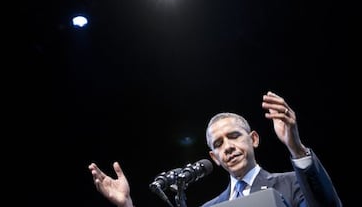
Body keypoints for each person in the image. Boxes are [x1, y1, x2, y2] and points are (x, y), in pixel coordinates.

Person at [88, 91, 342, 207]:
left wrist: (295, 147)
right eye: (219, 144)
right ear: (214, 158)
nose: (228, 147)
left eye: (234, 137)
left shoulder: (291, 184)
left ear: (253, 139)